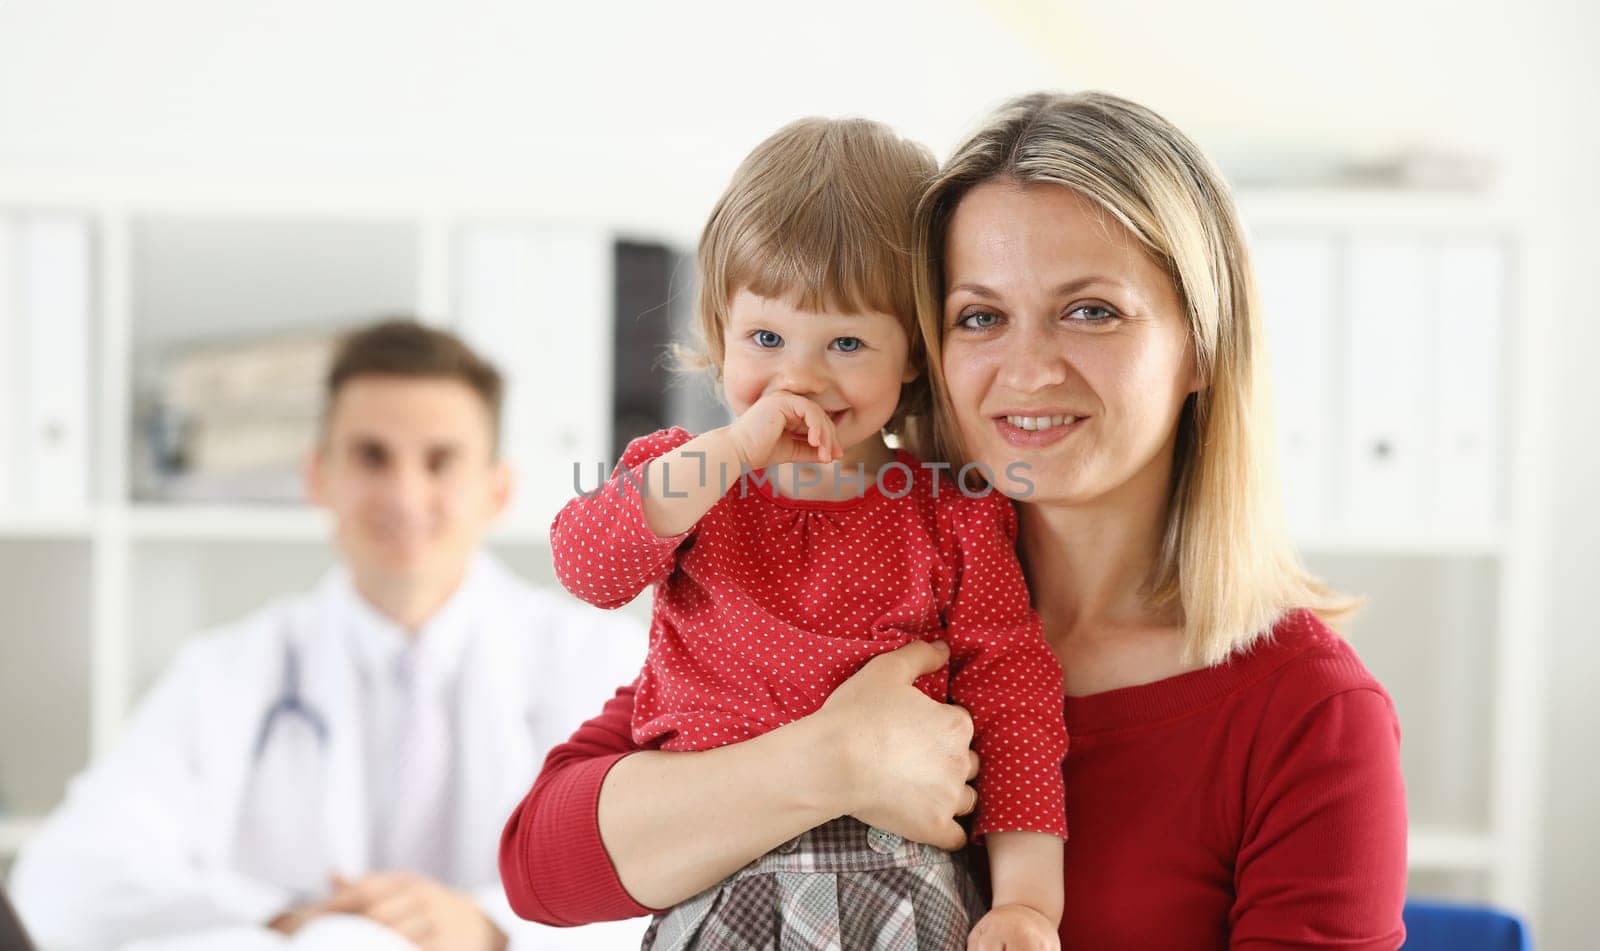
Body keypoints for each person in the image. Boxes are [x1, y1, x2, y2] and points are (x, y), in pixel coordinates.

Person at [499, 92, 1408, 949]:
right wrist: (830, 762)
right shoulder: (812, 591)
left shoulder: (1312, 713)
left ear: (1202, 342)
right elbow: (542, 867)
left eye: (1090, 311)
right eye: (980, 316)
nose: (1029, 368)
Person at [538, 117, 1068, 950]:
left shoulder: (954, 514)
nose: (802, 376)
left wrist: (1029, 901)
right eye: (766, 338)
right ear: (719, 334)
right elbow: (585, 563)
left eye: (848, 341)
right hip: (719, 869)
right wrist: (732, 450)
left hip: (903, 879)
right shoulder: (686, 480)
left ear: (914, 359)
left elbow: (1014, 706)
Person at [9, 320, 650, 951]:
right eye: (372, 457)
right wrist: (296, 922)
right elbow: (65, 882)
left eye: (440, 461)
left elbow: (676, 876)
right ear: (317, 476)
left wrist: (489, 927)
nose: (404, 495)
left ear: (497, 490)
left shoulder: (599, 658)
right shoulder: (227, 670)